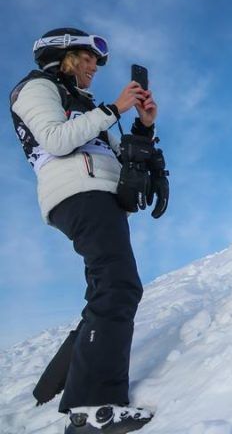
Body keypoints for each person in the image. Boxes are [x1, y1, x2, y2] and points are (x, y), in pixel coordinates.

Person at [9, 28, 169, 433]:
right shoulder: (35, 88)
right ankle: (92, 409)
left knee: (107, 286)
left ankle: (59, 381)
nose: (95, 67)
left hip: (100, 196)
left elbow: (116, 154)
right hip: (77, 194)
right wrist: (114, 108)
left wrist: (144, 127)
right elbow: (55, 140)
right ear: (62, 55)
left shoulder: (84, 104)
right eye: (89, 58)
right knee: (118, 286)